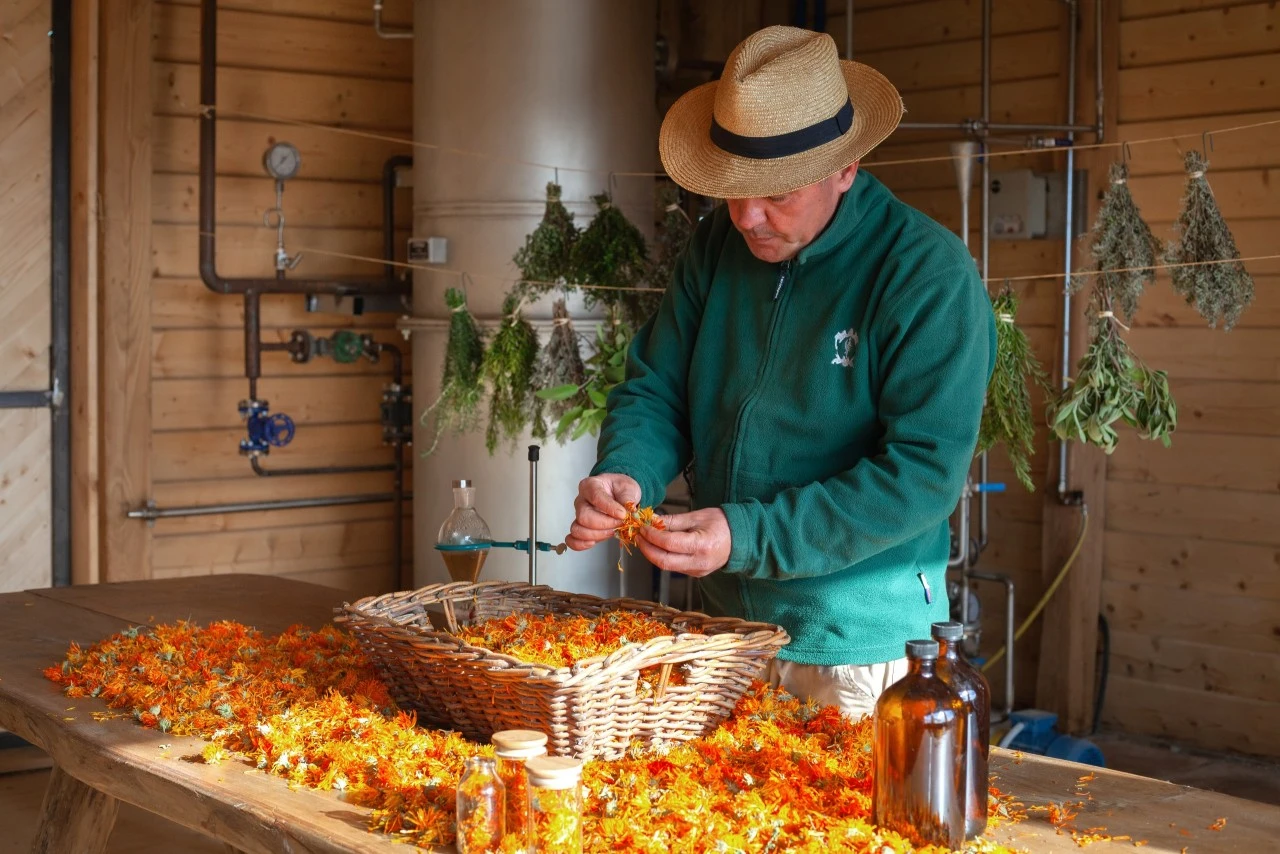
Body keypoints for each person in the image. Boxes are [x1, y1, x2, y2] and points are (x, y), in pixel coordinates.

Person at [565, 26, 996, 719]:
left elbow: (921, 474)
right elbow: (657, 387)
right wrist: (629, 469)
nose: (746, 217)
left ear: (845, 168)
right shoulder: (715, 249)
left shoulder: (925, 276)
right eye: (731, 191)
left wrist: (747, 536)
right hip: (726, 631)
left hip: (857, 648)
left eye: (777, 194)